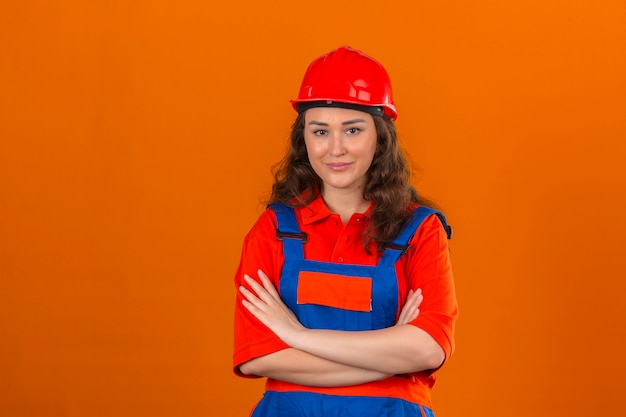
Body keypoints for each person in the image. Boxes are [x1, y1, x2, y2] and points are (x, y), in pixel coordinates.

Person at [233, 46, 458, 417]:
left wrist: (298, 337)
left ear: (380, 137)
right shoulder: (273, 228)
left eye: (352, 129)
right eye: (320, 131)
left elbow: (429, 349)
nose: (335, 148)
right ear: (303, 139)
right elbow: (257, 357)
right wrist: (389, 359)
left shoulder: (420, 230)